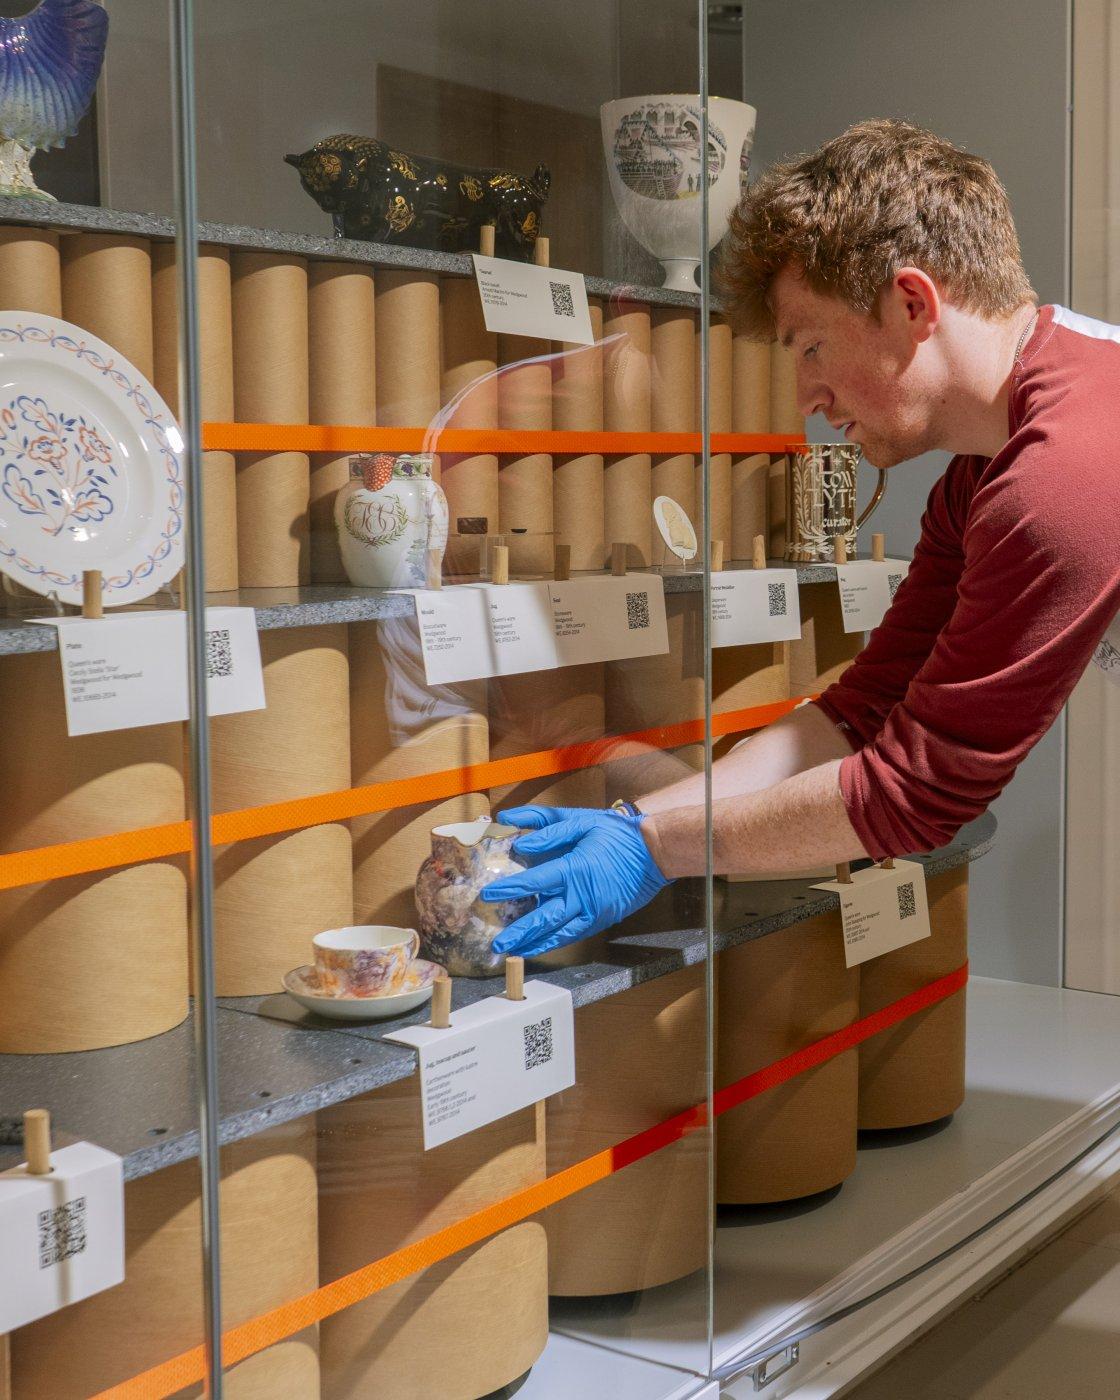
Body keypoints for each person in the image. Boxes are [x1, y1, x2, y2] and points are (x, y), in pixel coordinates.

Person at [481, 117, 1120, 957]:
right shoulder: (988, 467)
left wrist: (659, 849)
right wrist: (643, 819)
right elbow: (861, 712)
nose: (806, 396)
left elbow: (915, 796)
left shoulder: (1062, 471)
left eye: (812, 345)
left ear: (912, 303)